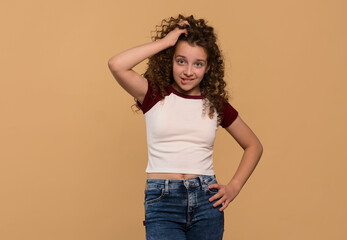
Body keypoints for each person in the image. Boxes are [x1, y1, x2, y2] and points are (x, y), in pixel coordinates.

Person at [108, 14, 263, 240]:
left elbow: (253, 145)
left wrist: (234, 187)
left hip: (206, 200)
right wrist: (166, 42)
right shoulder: (154, 95)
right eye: (181, 61)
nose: (188, 71)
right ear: (170, 59)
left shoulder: (215, 103)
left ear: (208, 67)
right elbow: (116, 64)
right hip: (163, 201)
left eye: (197, 64)